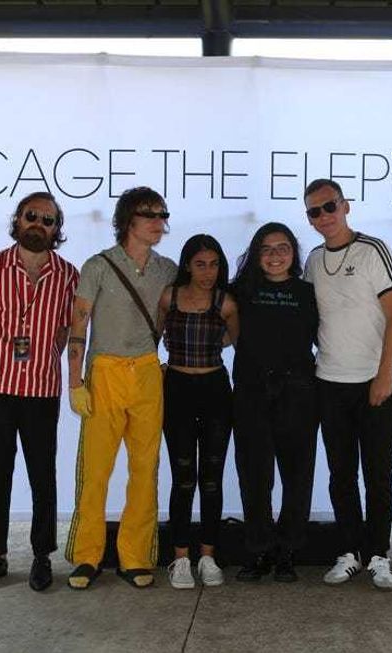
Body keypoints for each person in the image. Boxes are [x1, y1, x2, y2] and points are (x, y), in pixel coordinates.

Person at [0, 192, 78, 592]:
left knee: (43, 476)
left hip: (42, 390)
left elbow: (64, 332)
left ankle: (42, 556)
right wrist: (5, 362)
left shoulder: (68, 275)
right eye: (32, 215)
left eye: (48, 220)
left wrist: (38, 361)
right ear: (17, 220)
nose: (38, 224)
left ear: (56, 229)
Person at [64, 186, 177, 590]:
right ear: (128, 220)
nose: (158, 222)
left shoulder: (168, 269)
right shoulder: (98, 265)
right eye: (150, 214)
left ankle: (135, 556)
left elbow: (180, 312)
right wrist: (75, 381)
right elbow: (78, 323)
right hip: (105, 371)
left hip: (147, 371)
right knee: (95, 471)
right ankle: (86, 556)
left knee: (145, 470)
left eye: (162, 215)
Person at [303, 179, 392, 590]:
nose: (323, 216)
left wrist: (384, 374)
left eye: (329, 206)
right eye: (314, 211)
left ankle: (379, 554)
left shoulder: (374, 250)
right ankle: (350, 552)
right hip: (330, 382)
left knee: (378, 473)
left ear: (345, 206)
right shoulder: (312, 261)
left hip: (375, 382)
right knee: (341, 474)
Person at [231, 223, 319, 583]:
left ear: (293, 253)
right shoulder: (239, 291)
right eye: (266, 249)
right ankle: (259, 549)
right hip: (251, 392)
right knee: (254, 476)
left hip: (298, 392)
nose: (275, 255)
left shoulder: (308, 292)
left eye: (283, 247)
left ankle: (288, 552)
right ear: (256, 254)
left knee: (297, 477)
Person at [157, 234, 239, 589]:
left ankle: (207, 556)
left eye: (214, 264)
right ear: (187, 265)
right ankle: (180, 559)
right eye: (200, 264)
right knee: (183, 477)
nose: (208, 272)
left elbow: (236, 341)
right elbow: (152, 338)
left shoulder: (226, 302)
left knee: (211, 478)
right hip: (177, 389)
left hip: (215, 390)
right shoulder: (169, 297)